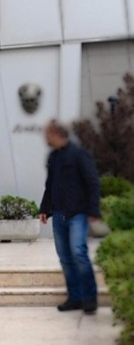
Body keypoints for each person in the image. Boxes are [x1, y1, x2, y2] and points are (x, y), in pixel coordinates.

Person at [39, 120, 100, 314]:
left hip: (77, 213)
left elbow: (92, 182)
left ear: (56, 134)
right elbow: (50, 184)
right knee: (65, 258)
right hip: (58, 214)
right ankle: (75, 298)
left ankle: (89, 298)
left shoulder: (79, 154)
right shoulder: (53, 157)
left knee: (78, 252)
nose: (45, 138)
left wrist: (93, 210)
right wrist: (44, 208)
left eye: (47, 134)